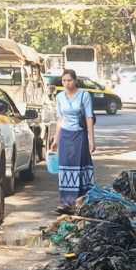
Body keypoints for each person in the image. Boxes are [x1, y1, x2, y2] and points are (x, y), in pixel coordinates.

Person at [49, 68, 96, 210]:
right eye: (64, 80)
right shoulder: (59, 97)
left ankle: (81, 201)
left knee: (80, 166)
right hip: (65, 136)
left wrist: (91, 140)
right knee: (65, 167)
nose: (66, 83)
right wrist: (56, 139)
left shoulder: (84, 95)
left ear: (75, 81)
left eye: (69, 80)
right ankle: (66, 202)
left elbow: (89, 117)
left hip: (79, 135)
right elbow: (60, 119)